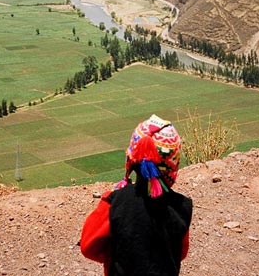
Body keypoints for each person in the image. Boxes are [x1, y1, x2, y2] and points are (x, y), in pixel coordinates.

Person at [80, 114, 193, 275]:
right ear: (172, 165)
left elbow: (88, 247)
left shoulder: (114, 202)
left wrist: (114, 255)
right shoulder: (182, 207)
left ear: (132, 159)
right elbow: (181, 253)